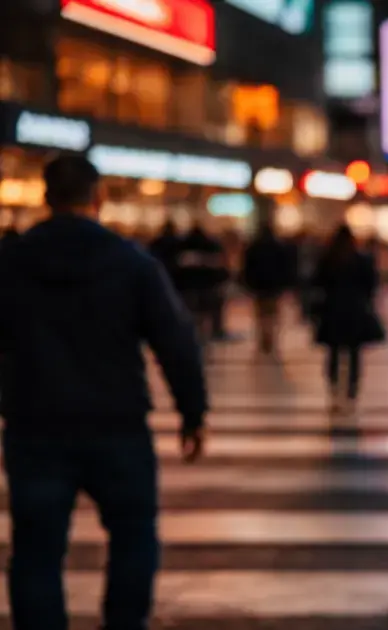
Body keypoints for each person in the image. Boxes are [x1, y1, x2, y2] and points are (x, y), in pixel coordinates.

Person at [0, 155, 207, 630]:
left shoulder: (11, 262)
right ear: (98, 198)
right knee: (133, 537)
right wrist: (193, 412)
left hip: (35, 424)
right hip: (116, 423)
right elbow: (175, 340)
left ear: (45, 198)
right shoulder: (131, 262)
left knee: (36, 548)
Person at [313, 225, 385, 413]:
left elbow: (317, 284)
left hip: (332, 311)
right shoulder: (361, 260)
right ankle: (351, 394)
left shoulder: (328, 259)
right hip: (355, 312)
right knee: (354, 355)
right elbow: (372, 285)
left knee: (334, 354)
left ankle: (335, 392)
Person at [242, 217, 294, 357]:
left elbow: (248, 267)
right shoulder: (279, 246)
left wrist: (248, 283)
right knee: (272, 314)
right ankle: (270, 339)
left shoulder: (254, 247)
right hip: (274, 286)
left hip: (259, 285)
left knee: (261, 315)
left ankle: (263, 339)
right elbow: (286, 268)